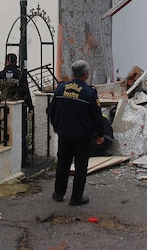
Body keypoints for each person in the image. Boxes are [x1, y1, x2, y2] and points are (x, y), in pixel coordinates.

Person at [49, 60, 104, 206]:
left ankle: (59, 194)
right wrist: (100, 134)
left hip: (65, 134)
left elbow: (52, 109)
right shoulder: (89, 93)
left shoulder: (60, 89)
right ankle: (76, 198)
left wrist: (55, 125)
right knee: (80, 167)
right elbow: (97, 115)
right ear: (86, 74)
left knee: (62, 164)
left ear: (73, 73)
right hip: (82, 136)